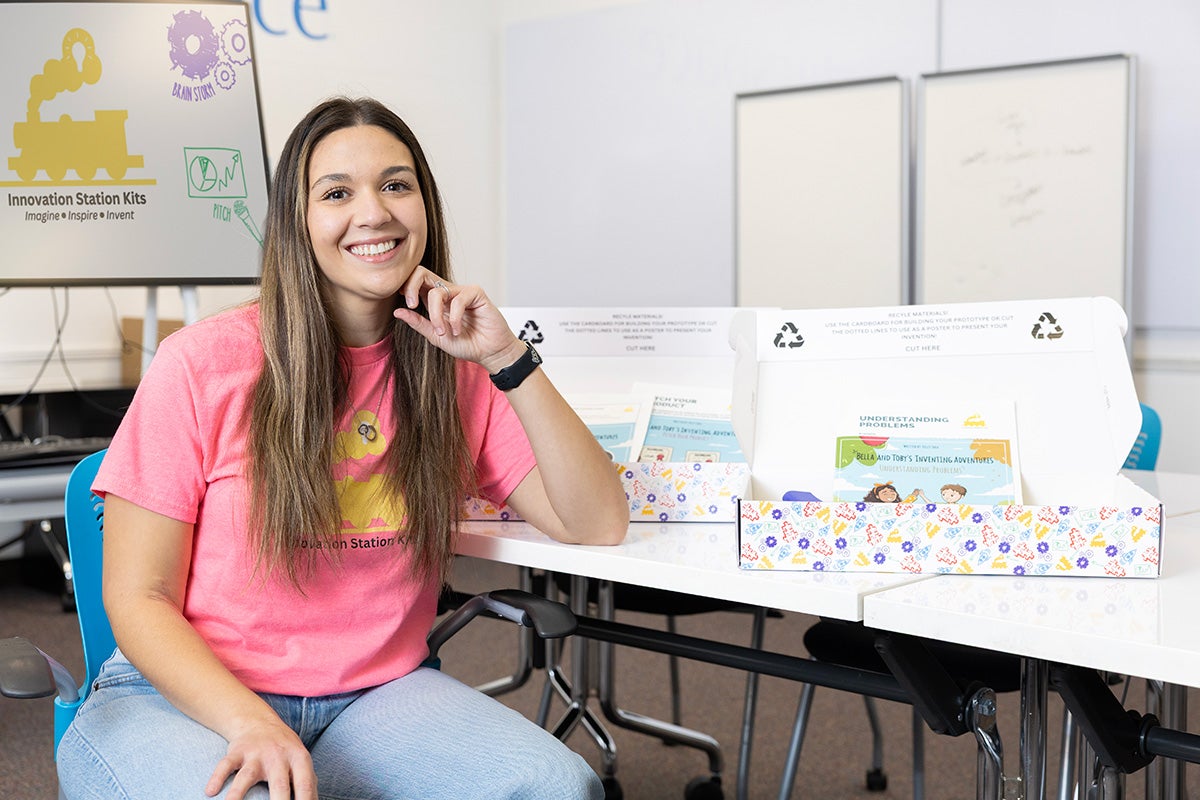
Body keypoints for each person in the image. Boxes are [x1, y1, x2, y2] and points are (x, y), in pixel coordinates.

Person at [55, 96, 629, 800]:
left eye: (396, 184)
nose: (375, 212)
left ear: (425, 206)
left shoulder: (452, 369)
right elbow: (138, 596)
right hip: (181, 698)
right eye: (337, 193)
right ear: (297, 222)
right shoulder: (202, 363)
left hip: (374, 698)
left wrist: (506, 357)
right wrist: (250, 722)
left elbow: (596, 522)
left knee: (553, 787)